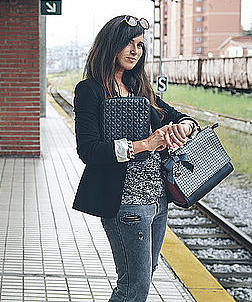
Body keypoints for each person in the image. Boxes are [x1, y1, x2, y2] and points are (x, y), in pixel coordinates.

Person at [71, 15, 198, 302]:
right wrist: (145, 144)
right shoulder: (90, 90)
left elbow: (181, 117)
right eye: (128, 43)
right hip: (126, 203)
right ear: (110, 45)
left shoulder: (139, 88)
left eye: (139, 45)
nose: (134, 51)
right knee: (134, 287)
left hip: (157, 200)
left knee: (144, 275)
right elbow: (88, 150)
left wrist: (184, 127)